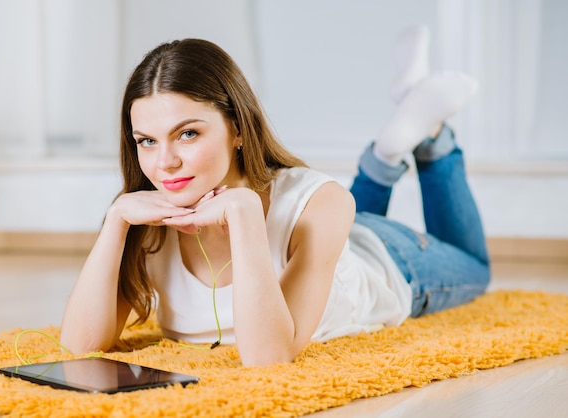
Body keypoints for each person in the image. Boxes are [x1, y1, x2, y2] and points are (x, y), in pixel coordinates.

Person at [60, 25, 490, 366]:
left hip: (390, 261)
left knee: (474, 267)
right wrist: (115, 220)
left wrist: (245, 216)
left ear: (239, 130)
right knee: (326, 214)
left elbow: (269, 357)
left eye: (187, 133)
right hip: (319, 235)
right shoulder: (144, 216)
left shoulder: (320, 205)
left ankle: (431, 140)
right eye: (146, 141)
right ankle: (392, 141)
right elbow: (80, 346)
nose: (164, 163)